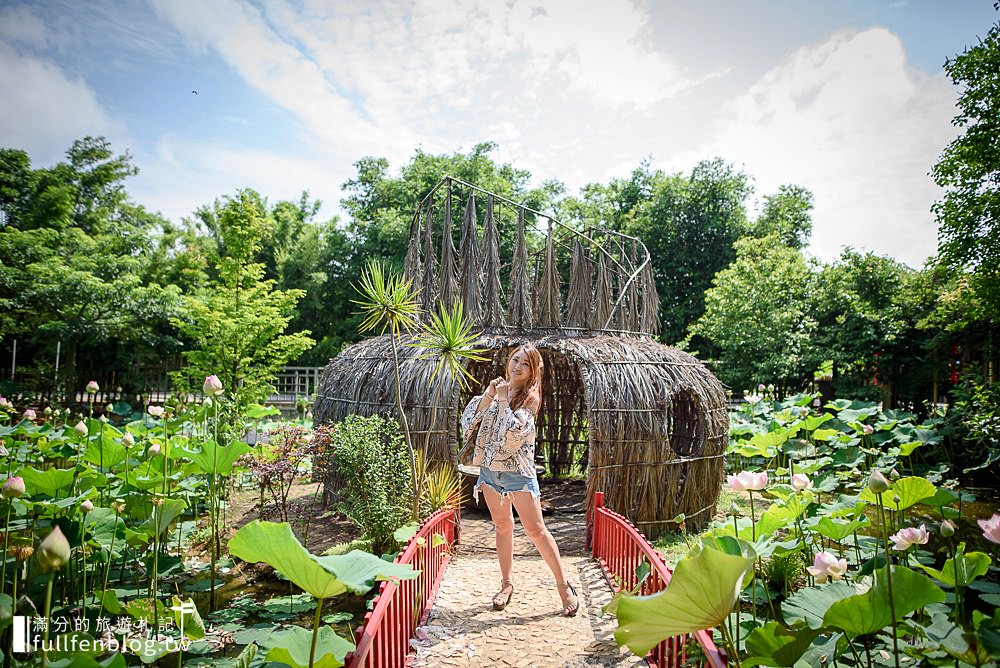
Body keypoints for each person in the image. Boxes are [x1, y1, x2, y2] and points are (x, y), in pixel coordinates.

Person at [459, 344, 579, 616]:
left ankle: (564, 587)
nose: (517, 367)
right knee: (502, 527)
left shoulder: (530, 399)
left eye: (525, 364)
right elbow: (470, 423)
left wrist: (501, 400)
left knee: (536, 531)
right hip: (490, 473)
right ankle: (506, 584)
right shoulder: (501, 390)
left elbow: (511, 435)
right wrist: (489, 395)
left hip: (519, 476)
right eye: (515, 360)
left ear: (532, 371)